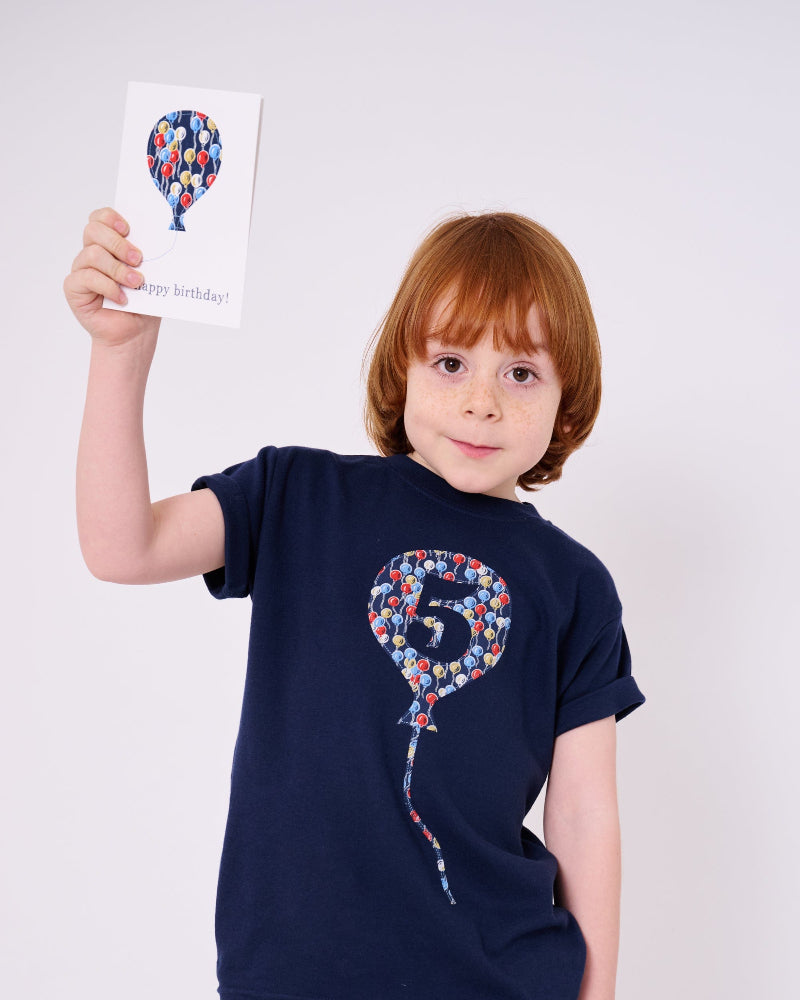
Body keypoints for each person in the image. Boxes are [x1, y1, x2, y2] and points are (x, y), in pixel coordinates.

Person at [65, 207, 645, 1000]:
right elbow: (120, 547)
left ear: (566, 398)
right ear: (400, 366)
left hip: (499, 979)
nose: (482, 401)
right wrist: (120, 353)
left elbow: (583, 817)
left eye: (520, 373)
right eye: (449, 362)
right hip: (291, 977)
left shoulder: (576, 585)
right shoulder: (297, 494)